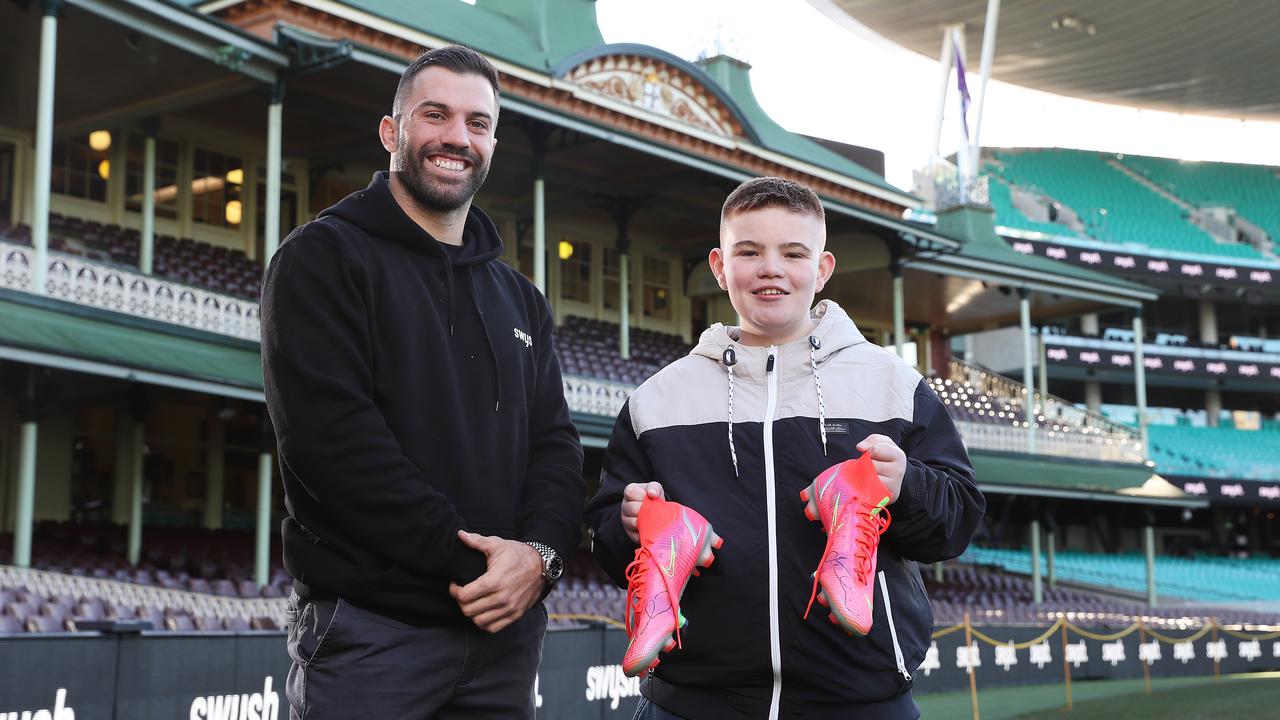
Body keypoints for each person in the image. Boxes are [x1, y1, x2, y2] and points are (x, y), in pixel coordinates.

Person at [261, 45, 585, 719]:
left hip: (503, 641)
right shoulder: (322, 258)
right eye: (435, 115)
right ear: (392, 131)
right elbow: (335, 448)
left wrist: (541, 558)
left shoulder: (520, 297)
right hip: (372, 639)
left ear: (492, 142)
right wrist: (482, 569)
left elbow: (555, 446)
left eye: (477, 123)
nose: (456, 138)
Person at [584, 177, 985, 719]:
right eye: (748, 252)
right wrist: (630, 522)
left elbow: (957, 521)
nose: (770, 268)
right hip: (693, 702)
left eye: (793, 253)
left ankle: (850, 501)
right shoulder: (658, 398)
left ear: (821, 269)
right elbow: (606, 538)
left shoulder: (892, 382)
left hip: (860, 700)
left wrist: (906, 484)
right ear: (720, 266)